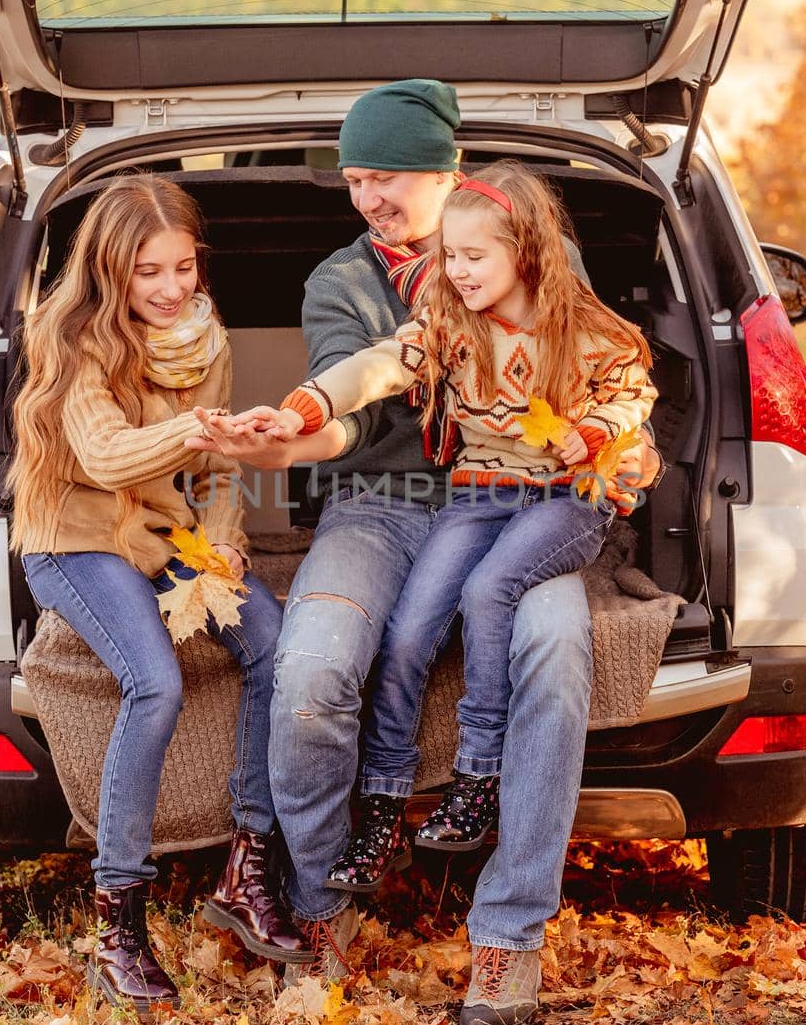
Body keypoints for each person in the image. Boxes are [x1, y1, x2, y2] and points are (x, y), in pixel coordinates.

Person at [189, 81, 661, 1025]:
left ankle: (507, 940)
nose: (370, 198)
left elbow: (605, 370)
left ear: (451, 171)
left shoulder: (535, 252)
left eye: (389, 176)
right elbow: (352, 416)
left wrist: (598, 441)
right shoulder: (343, 282)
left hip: (523, 501)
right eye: (355, 180)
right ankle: (324, 904)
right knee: (315, 667)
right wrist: (287, 434)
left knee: (553, 651)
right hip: (380, 504)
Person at [249, 159, 656, 872]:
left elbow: (633, 394)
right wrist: (302, 407)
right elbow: (378, 365)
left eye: (474, 257)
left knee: (487, 590)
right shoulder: (450, 323)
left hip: (563, 499)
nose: (459, 272)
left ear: (526, 251)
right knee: (408, 632)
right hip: (479, 494)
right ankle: (381, 804)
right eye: (452, 258)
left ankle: (477, 775)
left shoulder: (587, 328)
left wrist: (597, 435)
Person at [7, 175, 309, 1015]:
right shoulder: (69, 338)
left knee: (276, 646)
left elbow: (212, 474)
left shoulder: (205, 342)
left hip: (165, 528)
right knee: (156, 681)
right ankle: (119, 921)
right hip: (76, 537)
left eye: (184, 267)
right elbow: (105, 457)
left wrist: (223, 544)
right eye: (149, 272)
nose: (173, 289)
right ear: (111, 272)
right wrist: (202, 428)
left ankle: (247, 867)